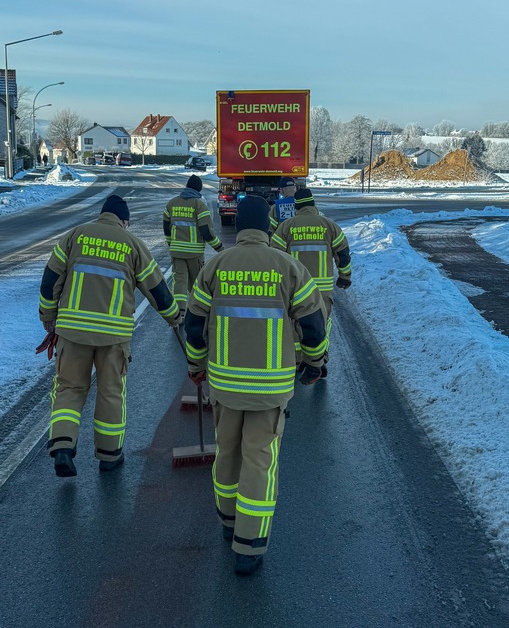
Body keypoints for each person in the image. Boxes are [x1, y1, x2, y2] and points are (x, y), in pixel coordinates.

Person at [184, 195, 327, 575]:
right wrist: (314, 365)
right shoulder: (289, 268)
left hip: (225, 386)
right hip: (271, 390)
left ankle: (228, 523)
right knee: (259, 461)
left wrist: (196, 366)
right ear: (267, 226)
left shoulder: (216, 266)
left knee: (227, 452)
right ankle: (248, 547)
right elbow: (314, 327)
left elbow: (194, 325)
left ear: (237, 226)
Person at [39, 195, 181, 478]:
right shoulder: (132, 245)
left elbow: (50, 280)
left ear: (103, 215)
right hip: (113, 336)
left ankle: (64, 445)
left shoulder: (75, 236)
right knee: (110, 392)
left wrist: (48, 317)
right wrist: (174, 318)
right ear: (124, 221)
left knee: (69, 388)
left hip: (73, 332)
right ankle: (109, 455)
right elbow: (157, 290)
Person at [270, 188, 351, 371]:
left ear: (296, 206)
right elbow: (343, 253)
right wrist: (345, 277)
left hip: (295, 288)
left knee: (297, 324)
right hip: (322, 290)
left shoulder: (287, 226)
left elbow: (275, 256)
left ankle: (299, 360)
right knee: (320, 324)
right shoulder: (329, 225)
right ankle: (320, 359)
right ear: (313, 203)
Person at [163, 174, 223, 315]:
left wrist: (171, 244)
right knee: (197, 283)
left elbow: (166, 228)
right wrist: (220, 248)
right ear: (198, 189)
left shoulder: (172, 203)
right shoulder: (199, 205)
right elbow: (206, 231)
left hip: (177, 252)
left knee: (179, 282)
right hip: (194, 253)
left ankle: (180, 313)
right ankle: (198, 312)